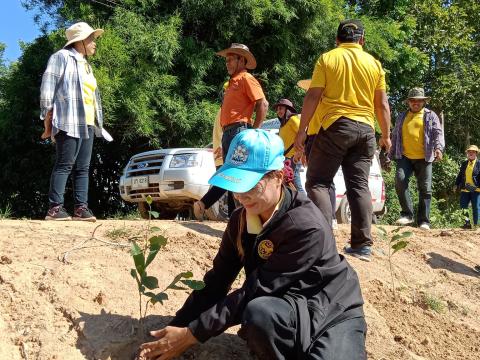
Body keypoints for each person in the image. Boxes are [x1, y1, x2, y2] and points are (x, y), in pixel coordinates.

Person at [140, 129, 366, 360]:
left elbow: (255, 290)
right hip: (284, 306)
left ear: (278, 177)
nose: (240, 195)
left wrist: (191, 334)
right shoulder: (240, 221)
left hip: (331, 310)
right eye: (235, 185)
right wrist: (174, 331)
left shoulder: (306, 226)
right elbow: (218, 281)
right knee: (259, 314)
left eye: (249, 185)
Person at [294, 19, 391, 261]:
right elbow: (382, 104)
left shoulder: (328, 58)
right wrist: (386, 135)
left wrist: (301, 130)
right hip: (366, 129)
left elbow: (313, 95)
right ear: (362, 40)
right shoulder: (374, 64)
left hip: (337, 125)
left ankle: (324, 241)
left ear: (337, 40)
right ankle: (361, 245)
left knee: (318, 181)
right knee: (358, 185)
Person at [193, 43, 268, 220]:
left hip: (239, 132)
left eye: (230, 60)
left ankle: (208, 206)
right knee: (231, 177)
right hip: (230, 133)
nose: (227, 63)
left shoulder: (246, 78)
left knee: (235, 176)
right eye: (226, 60)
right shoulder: (232, 83)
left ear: (241, 60)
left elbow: (263, 104)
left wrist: (254, 131)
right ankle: (236, 220)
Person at [40, 22, 106, 221]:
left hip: (87, 121)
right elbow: (48, 86)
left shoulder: (86, 64)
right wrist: (47, 115)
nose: (94, 43)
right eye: (91, 39)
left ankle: (81, 209)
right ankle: (54, 209)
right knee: (65, 164)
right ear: (80, 41)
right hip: (68, 119)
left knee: (83, 167)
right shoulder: (61, 57)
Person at [390, 87, 444, 230]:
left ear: (423, 102)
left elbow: (438, 133)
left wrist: (438, 148)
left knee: (425, 189)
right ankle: (407, 214)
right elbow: (395, 136)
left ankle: (423, 221)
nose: (416, 103)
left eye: (419, 100)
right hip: (404, 156)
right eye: (413, 100)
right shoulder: (402, 116)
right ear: (408, 102)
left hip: (424, 157)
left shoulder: (430, 115)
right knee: (400, 181)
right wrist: (389, 156)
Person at [296, 79, 338, 230]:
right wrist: (304, 148)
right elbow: (308, 125)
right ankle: (318, 215)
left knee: (325, 181)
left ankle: (331, 218)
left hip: (324, 136)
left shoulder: (329, 101)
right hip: (312, 138)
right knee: (313, 179)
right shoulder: (311, 103)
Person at [273, 98, 305, 193]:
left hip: (294, 157)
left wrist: (300, 153)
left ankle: (305, 204)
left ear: (288, 109)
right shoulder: (283, 124)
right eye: (277, 109)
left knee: (295, 183)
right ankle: (295, 204)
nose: (278, 111)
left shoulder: (293, 119)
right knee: (289, 184)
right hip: (286, 158)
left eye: (281, 108)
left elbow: (304, 134)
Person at [454, 145, 480, 229]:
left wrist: (476, 186)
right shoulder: (464, 163)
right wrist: (456, 184)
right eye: (469, 152)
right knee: (463, 206)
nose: (471, 153)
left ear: (476, 153)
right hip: (465, 189)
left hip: (476, 189)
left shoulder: (479, 164)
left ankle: (477, 225)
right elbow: (460, 175)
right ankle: (467, 223)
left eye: (473, 152)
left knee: (476, 207)